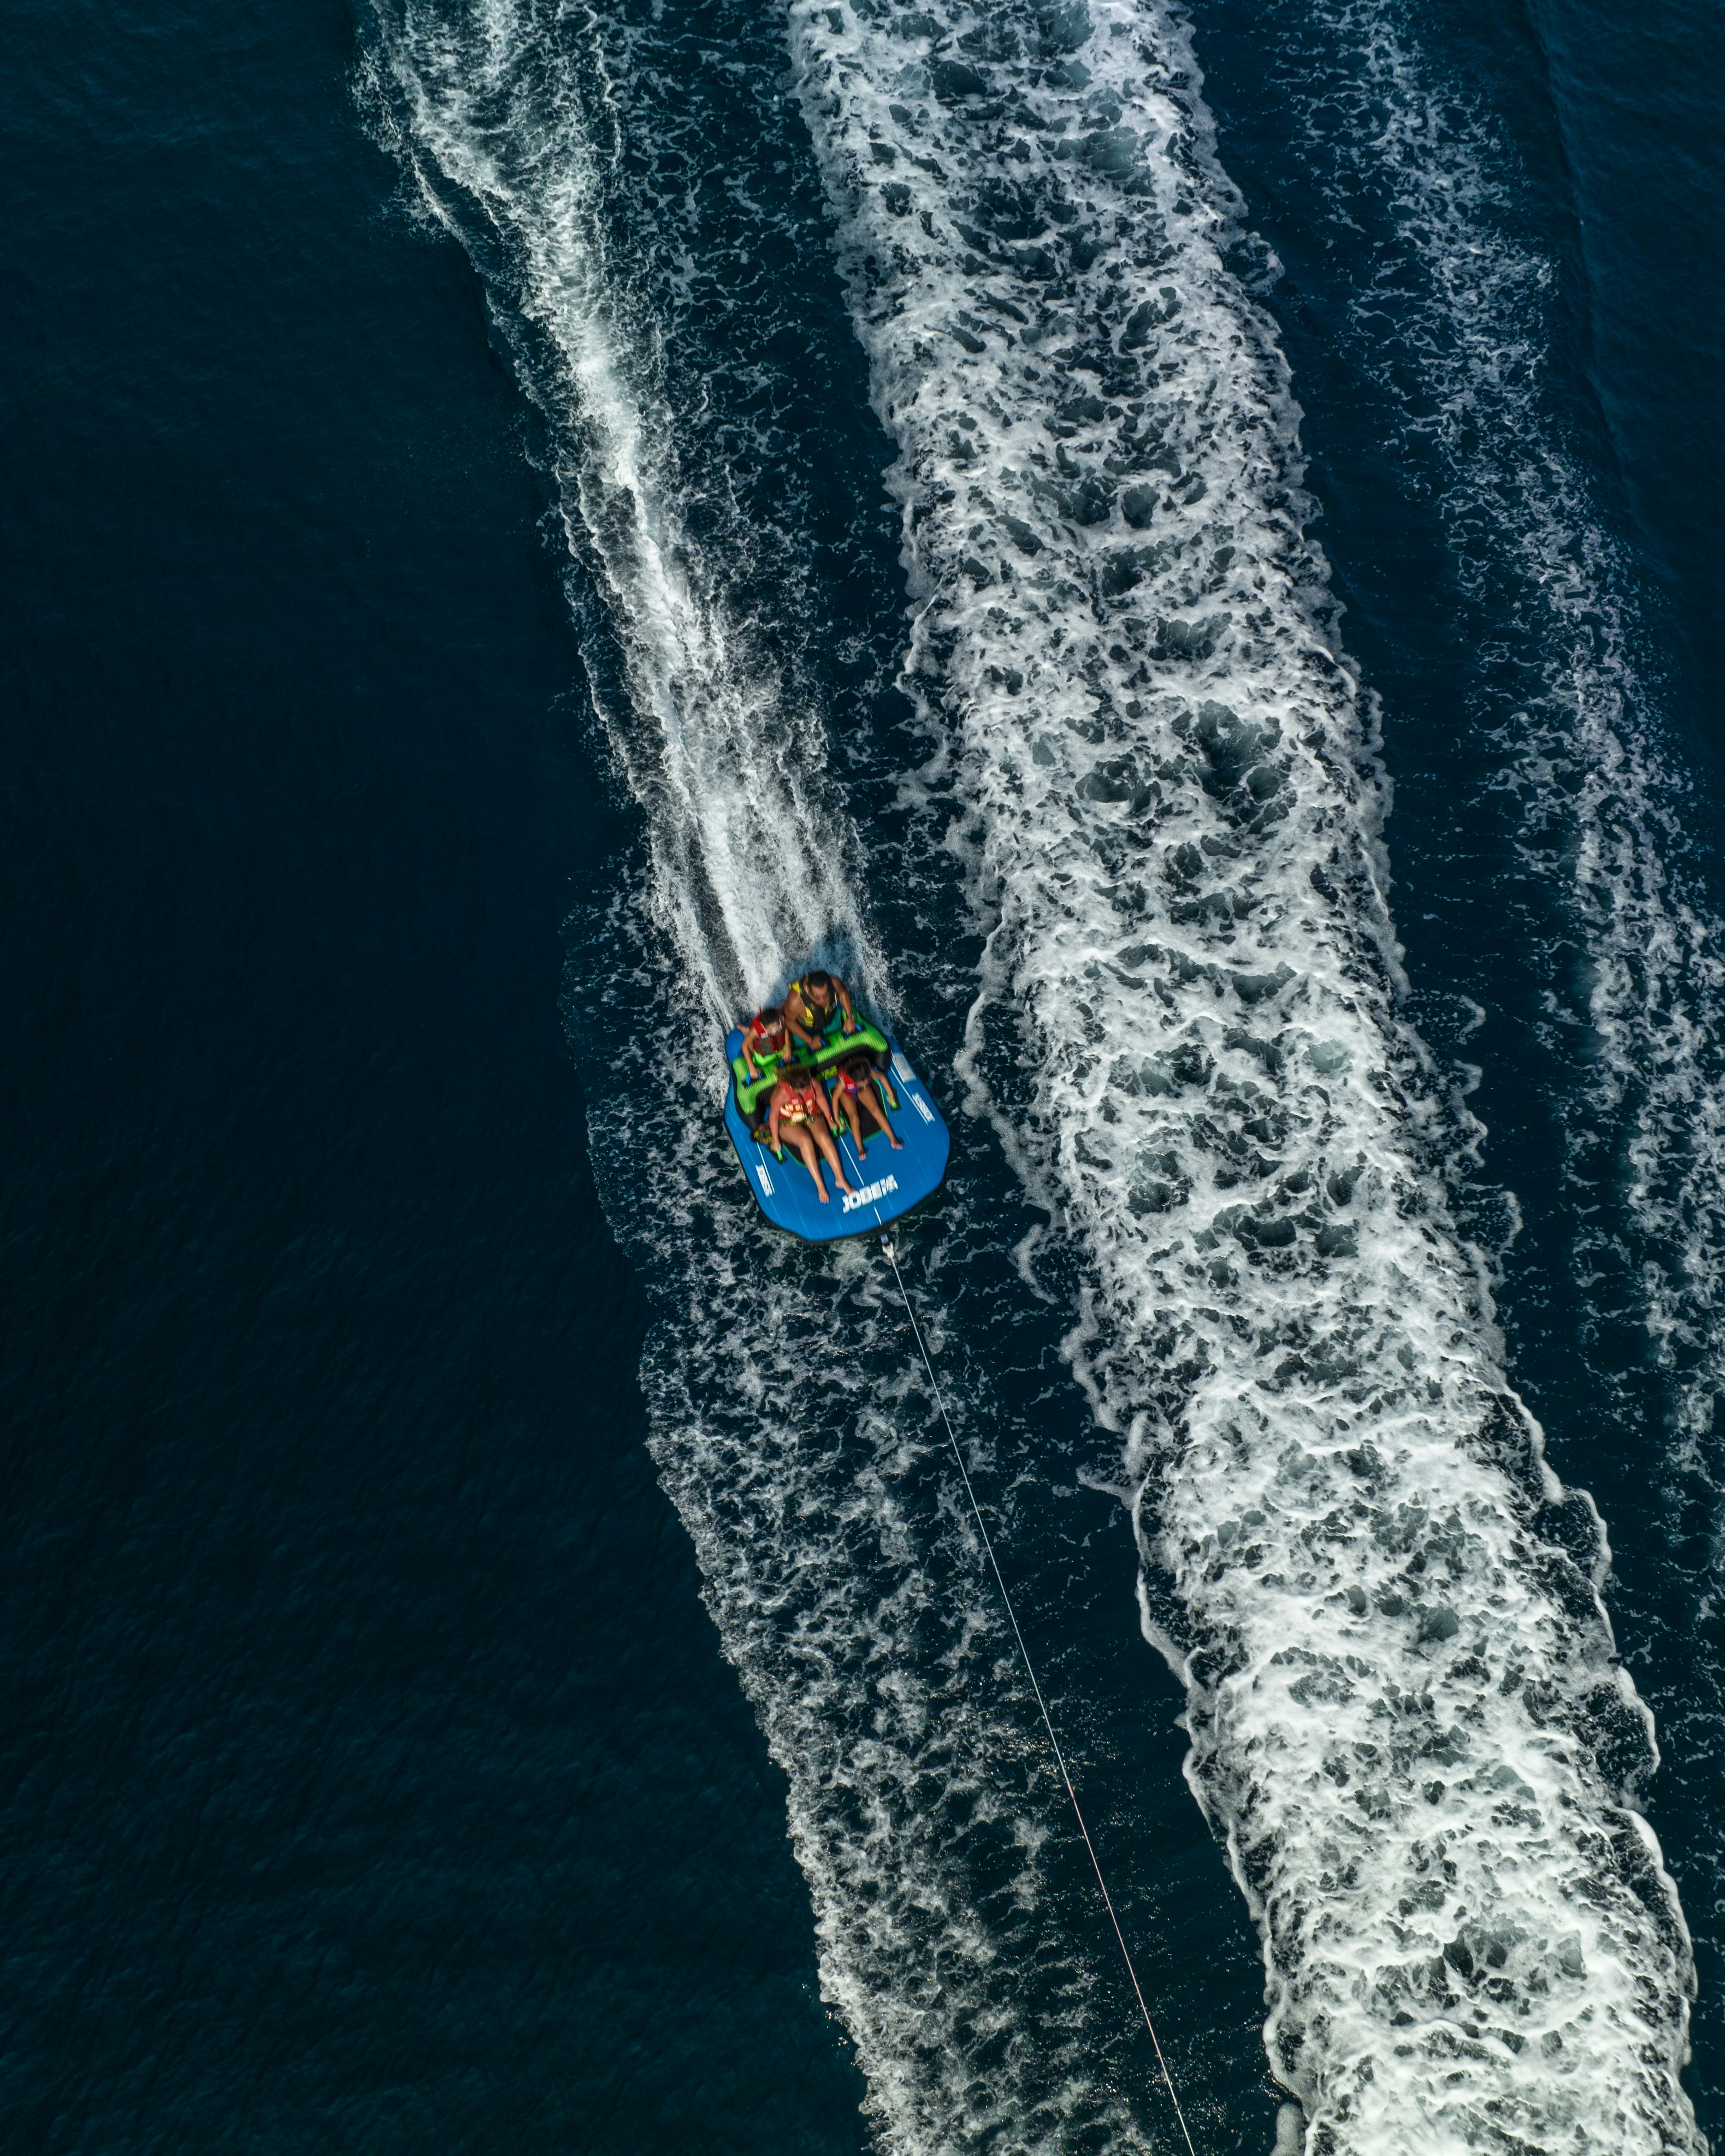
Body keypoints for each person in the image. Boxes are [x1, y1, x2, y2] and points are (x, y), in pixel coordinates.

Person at [766, 1064, 854, 1202]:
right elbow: (774, 1116)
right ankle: (820, 1186)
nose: (805, 1092)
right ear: (793, 1087)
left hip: (811, 1115)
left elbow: (820, 1099)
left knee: (824, 1137)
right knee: (805, 1140)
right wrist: (775, 1140)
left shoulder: (813, 1083)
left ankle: (840, 1180)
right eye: (801, 1092)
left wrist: (830, 1120)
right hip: (788, 1122)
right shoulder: (782, 1093)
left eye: (806, 1089)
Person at [828, 1051, 902, 1153]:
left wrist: (890, 1094)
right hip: (847, 1092)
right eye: (861, 1083)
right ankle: (860, 1148)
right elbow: (835, 1099)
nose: (864, 1085)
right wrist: (836, 1119)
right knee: (854, 1117)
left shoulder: (868, 1073)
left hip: (859, 1089)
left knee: (876, 1110)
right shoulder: (844, 1082)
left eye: (866, 1082)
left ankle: (893, 1139)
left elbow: (881, 1076)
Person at [784, 968, 856, 1057]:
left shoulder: (834, 982)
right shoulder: (795, 1000)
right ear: (807, 989)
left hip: (832, 1020)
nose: (822, 1000)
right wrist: (810, 1041)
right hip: (807, 1030)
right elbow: (790, 1022)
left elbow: (843, 993)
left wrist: (850, 1017)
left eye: (825, 995)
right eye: (817, 998)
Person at [741, 1004, 790, 1085]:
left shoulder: (782, 1020)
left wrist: (788, 1049)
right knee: (749, 1035)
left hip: (781, 1051)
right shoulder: (757, 1030)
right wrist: (751, 1067)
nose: (774, 1032)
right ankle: (746, 1031)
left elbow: (786, 1030)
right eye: (770, 1031)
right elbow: (744, 1045)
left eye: (777, 1028)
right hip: (763, 1058)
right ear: (762, 1026)